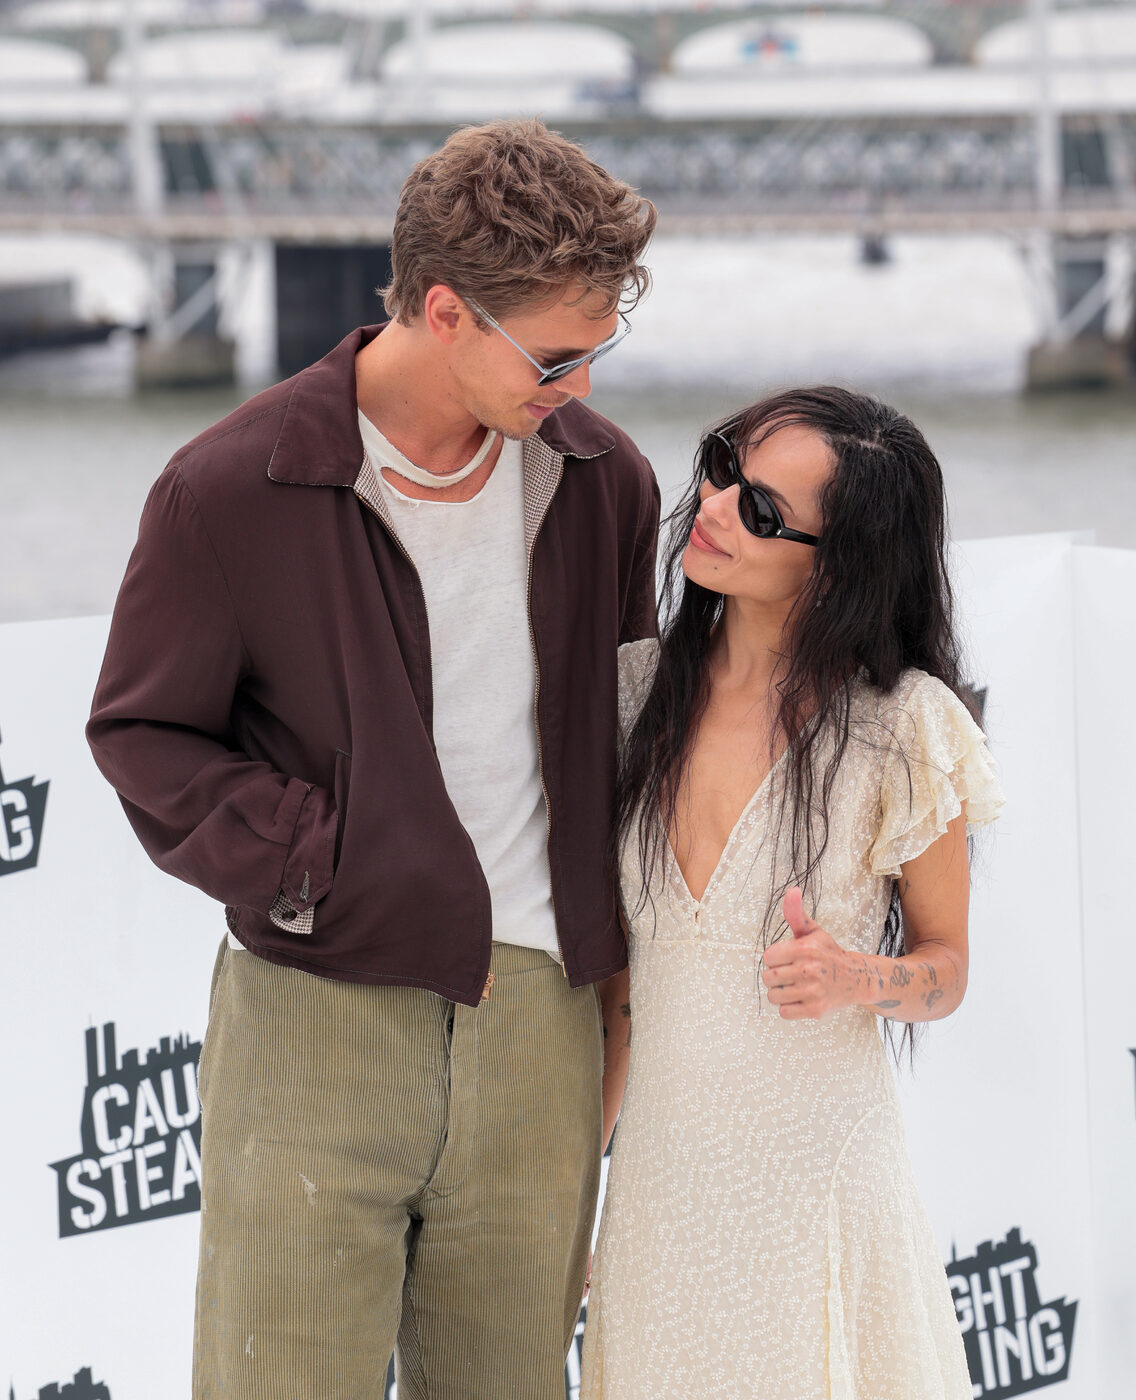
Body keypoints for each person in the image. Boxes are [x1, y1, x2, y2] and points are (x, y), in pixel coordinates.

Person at [86, 118, 659, 1400]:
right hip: (314, 1017)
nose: (579, 387)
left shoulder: (602, 480)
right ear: (445, 309)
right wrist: (318, 860)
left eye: (597, 351)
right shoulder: (229, 488)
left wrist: (621, 1008)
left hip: (542, 1027)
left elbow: (630, 738)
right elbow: (142, 732)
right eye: (555, 356)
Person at [581, 387, 1004, 1399]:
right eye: (723, 467)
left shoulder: (903, 729)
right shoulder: (631, 696)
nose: (716, 506)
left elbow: (945, 968)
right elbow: (620, 1000)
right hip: (660, 1199)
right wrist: (575, 1196)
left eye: (762, 509)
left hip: (814, 1192)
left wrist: (857, 976)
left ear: (837, 565)